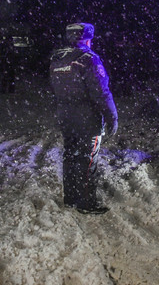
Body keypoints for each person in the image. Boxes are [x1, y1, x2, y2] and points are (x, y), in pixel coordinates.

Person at [49, 23, 118, 215]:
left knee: (70, 155)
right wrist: (112, 117)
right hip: (87, 118)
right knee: (87, 159)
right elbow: (102, 93)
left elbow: (54, 90)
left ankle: (70, 197)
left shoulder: (57, 59)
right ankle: (86, 202)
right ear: (88, 38)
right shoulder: (89, 59)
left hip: (65, 116)